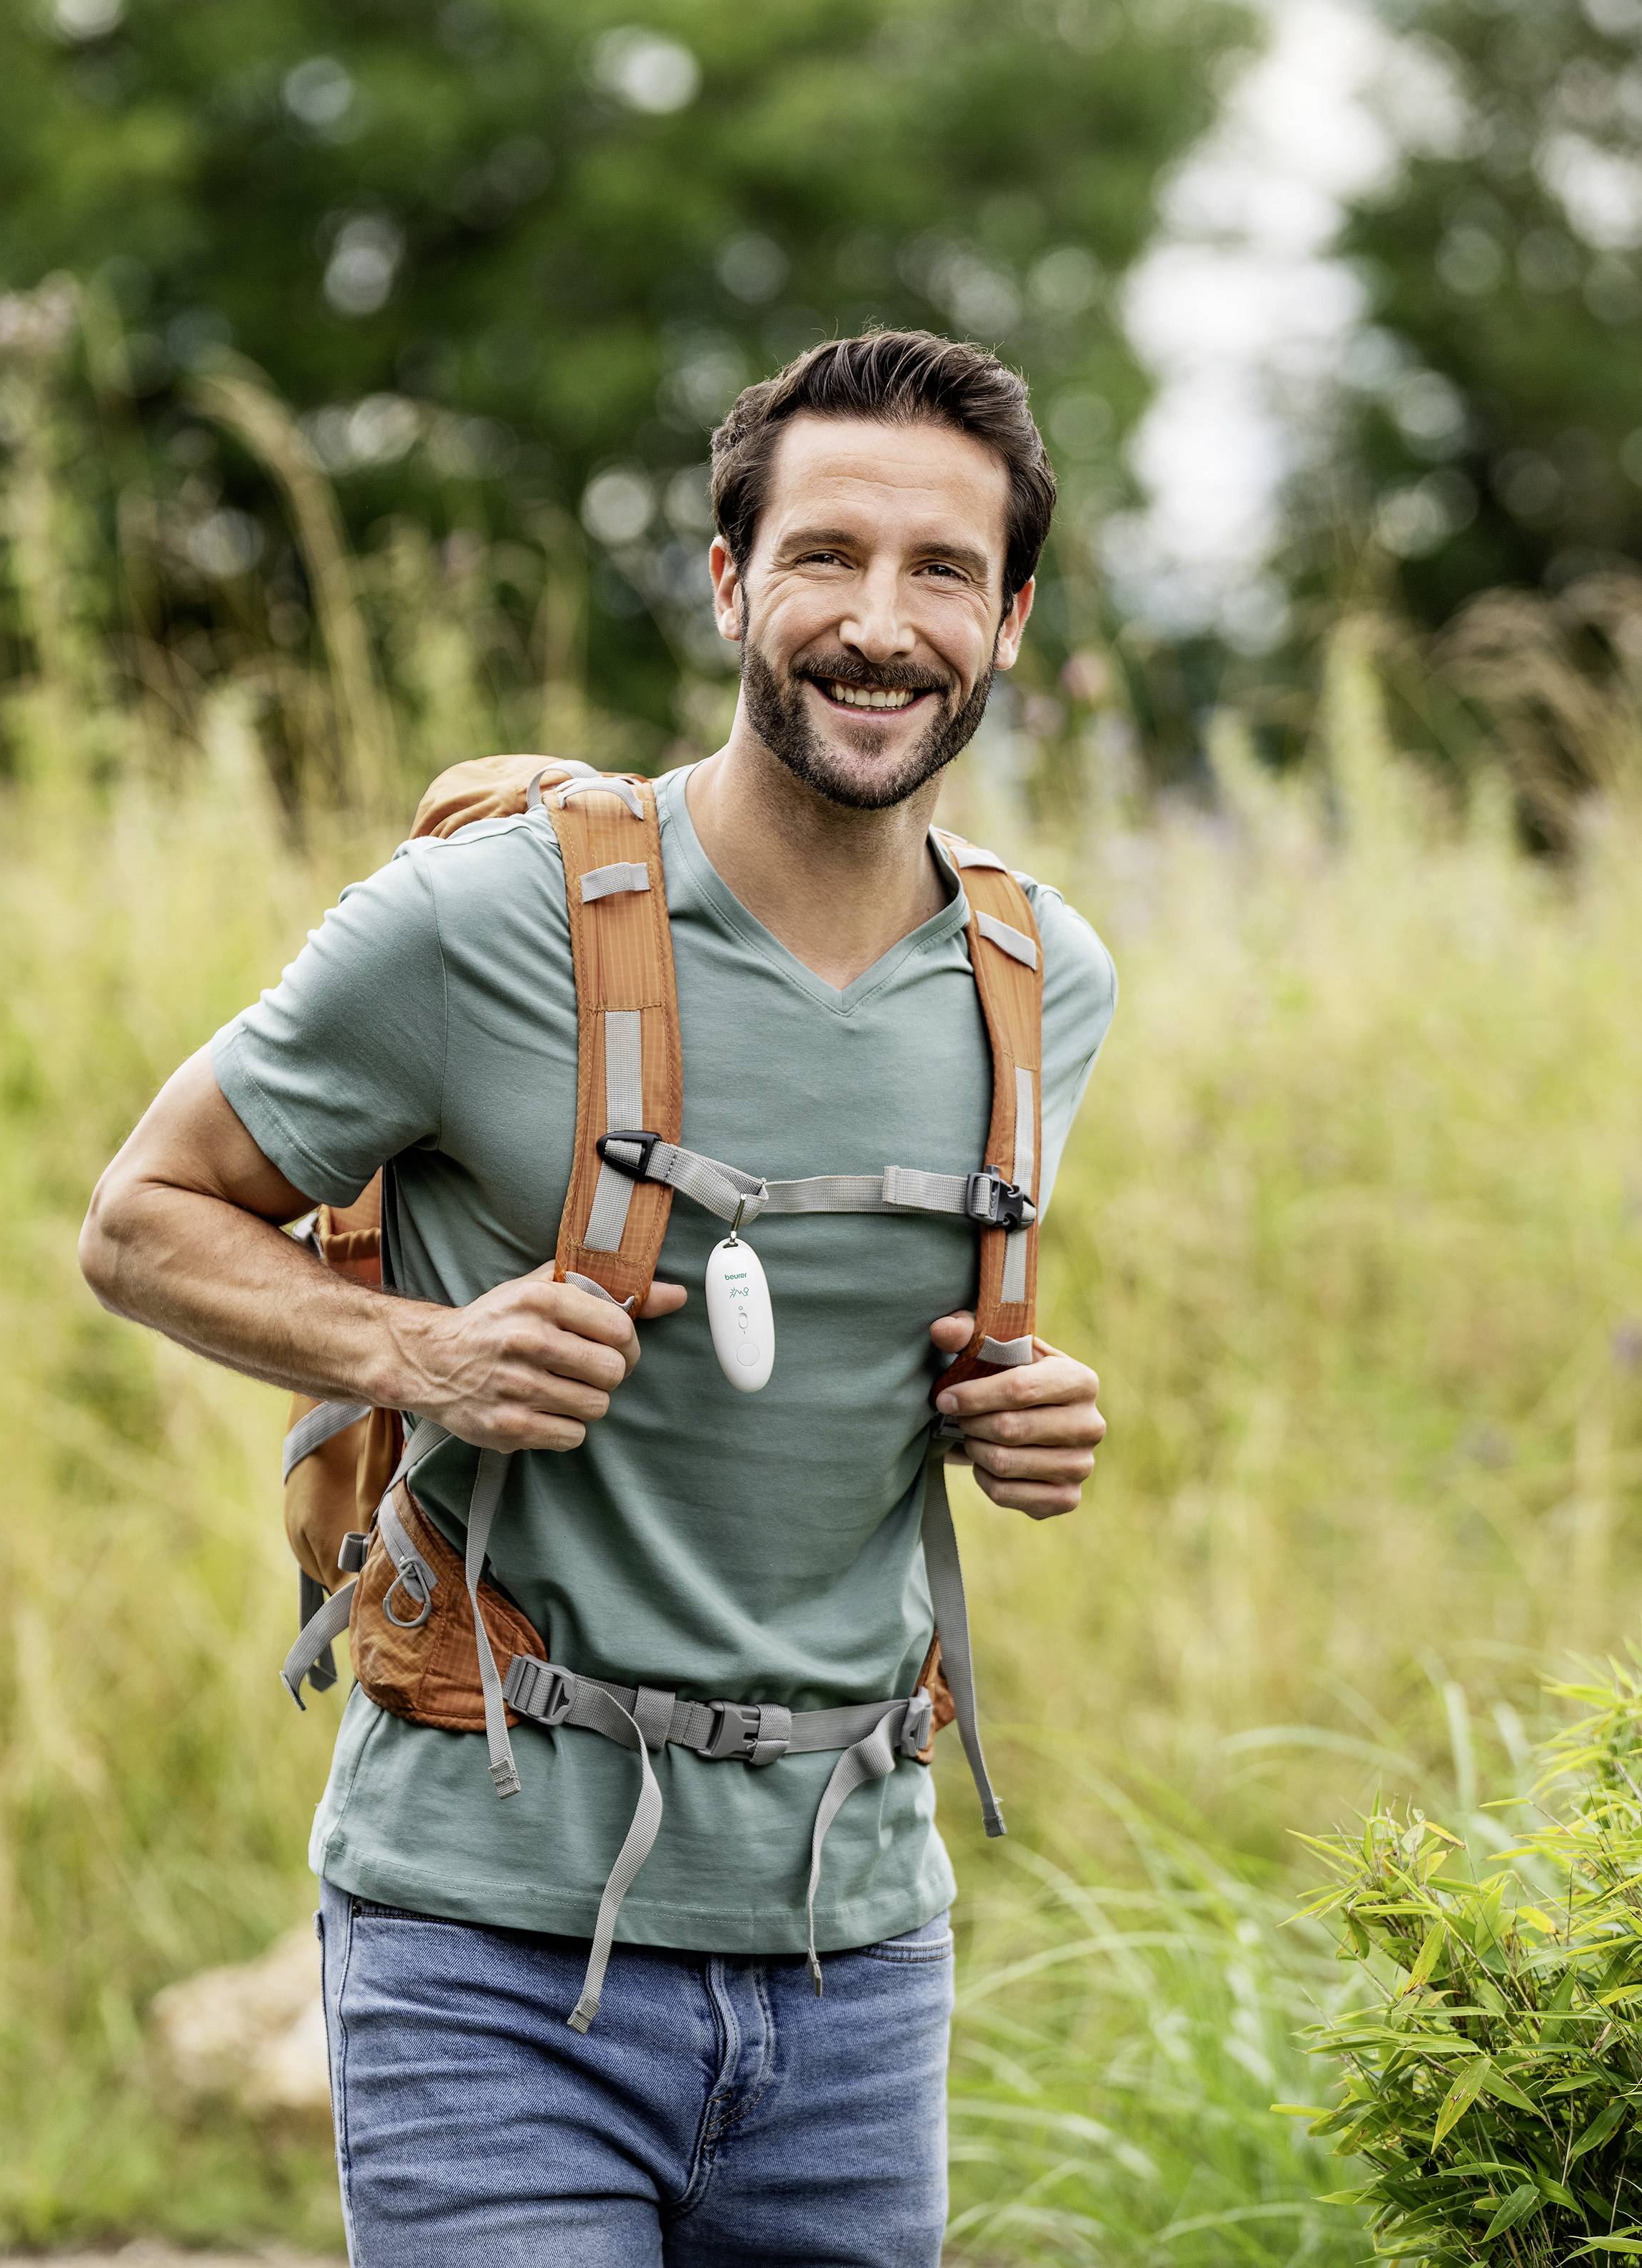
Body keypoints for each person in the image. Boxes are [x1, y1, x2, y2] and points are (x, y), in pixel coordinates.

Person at [80, 328, 1115, 2268]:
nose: (877, 625)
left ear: (1011, 617)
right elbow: (143, 1216)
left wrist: (1027, 1396)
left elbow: (888, 1335)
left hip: (855, 1960)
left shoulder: (1041, 982)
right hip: (487, 1952)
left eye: (939, 573)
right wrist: (421, 1350)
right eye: (823, 556)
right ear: (727, 581)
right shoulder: (478, 925)